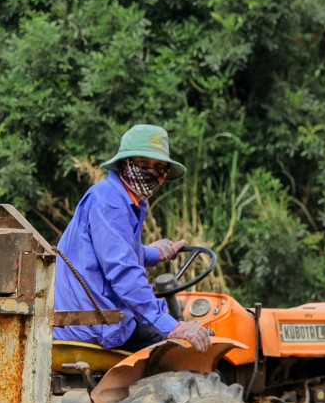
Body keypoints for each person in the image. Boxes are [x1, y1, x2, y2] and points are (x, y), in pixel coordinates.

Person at [53, 124, 213, 353]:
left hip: (99, 316)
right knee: (188, 353)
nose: (150, 171)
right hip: (96, 323)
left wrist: (152, 254)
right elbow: (123, 270)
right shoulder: (108, 200)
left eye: (158, 166)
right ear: (124, 164)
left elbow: (111, 251)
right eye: (143, 163)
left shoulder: (130, 201)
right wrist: (170, 325)